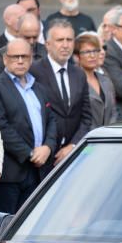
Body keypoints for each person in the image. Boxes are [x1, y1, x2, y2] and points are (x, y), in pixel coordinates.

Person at [0, 39, 57, 213]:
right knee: (4, 227)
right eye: (15, 57)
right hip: (11, 173)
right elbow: (1, 127)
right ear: (5, 59)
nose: (20, 61)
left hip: (38, 172)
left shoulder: (38, 87)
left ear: (31, 59)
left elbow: (51, 120)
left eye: (25, 57)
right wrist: (30, 154)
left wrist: (48, 147)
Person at [29, 19, 92, 168]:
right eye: (60, 40)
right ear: (48, 44)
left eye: (69, 40)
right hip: (42, 157)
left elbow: (86, 116)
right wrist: (48, 147)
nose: (65, 45)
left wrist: (73, 145)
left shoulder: (79, 73)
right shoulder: (34, 72)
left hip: (73, 155)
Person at [74, 32, 117, 128]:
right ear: (77, 56)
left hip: (109, 136)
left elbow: (113, 112)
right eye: (87, 52)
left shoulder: (106, 80)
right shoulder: (74, 81)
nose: (92, 56)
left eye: (95, 51)